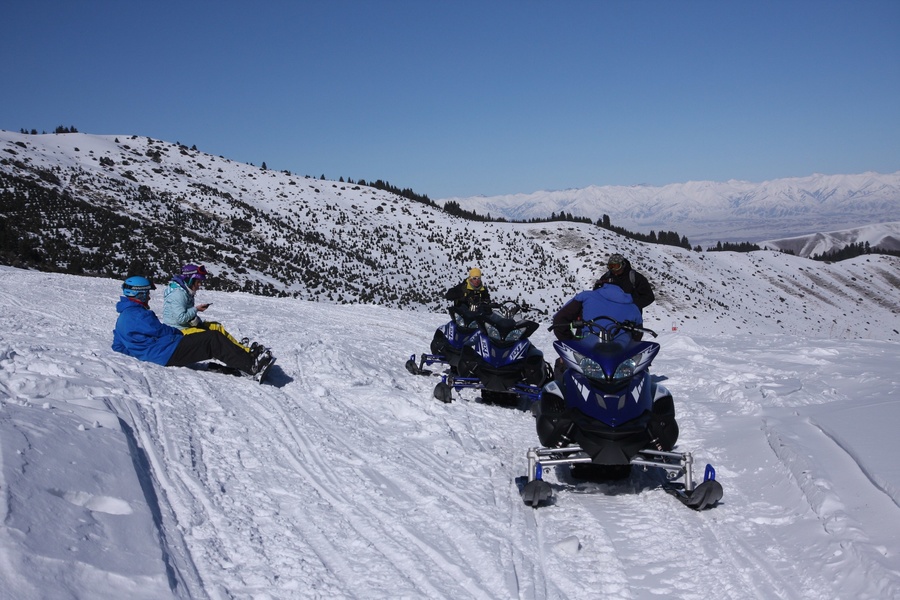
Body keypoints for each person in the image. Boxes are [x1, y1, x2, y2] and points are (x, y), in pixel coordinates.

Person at [112, 275, 272, 377]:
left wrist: (141, 353)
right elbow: (161, 332)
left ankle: (245, 358)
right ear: (138, 294)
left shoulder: (124, 316)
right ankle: (251, 366)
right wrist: (179, 336)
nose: (149, 297)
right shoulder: (138, 315)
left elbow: (118, 346)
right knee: (212, 338)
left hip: (159, 352)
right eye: (147, 293)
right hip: (166, 352)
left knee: (211, 336)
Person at [162, 264, 250, 352]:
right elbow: (180, 318)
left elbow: (187, 313)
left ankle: (239, 348)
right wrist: (196, 309)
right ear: (190, 280)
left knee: (216, 327)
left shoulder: (186, 291)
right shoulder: (178, 294)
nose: (199, 285)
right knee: (210, 335)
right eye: (198, 282)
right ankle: (237, 352)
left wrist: (198, 322)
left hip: (186, 326)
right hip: (178, 332)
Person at [552, 281, 643, 346]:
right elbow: (638, 332)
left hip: (587, 349)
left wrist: (569, 343)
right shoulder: (633, 306)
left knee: (566, 367)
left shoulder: (586, 296)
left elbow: (560, 319)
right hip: (621, 353)